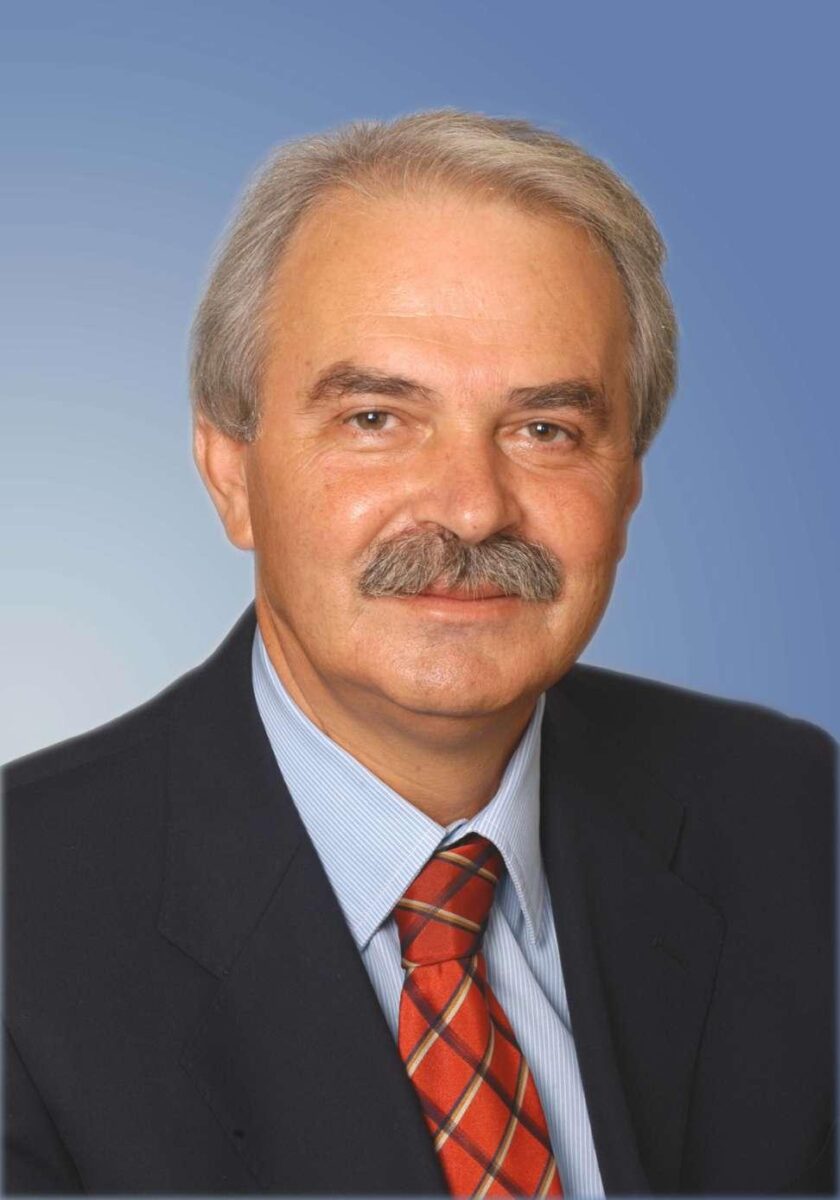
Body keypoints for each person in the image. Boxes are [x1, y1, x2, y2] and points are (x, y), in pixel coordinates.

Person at [3, 109, 835, 1197]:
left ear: (628, 484)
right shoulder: (22, 926)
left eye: (545, 430)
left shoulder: (795, 820)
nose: (473, 506)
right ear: (230, 471)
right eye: (376, 419)